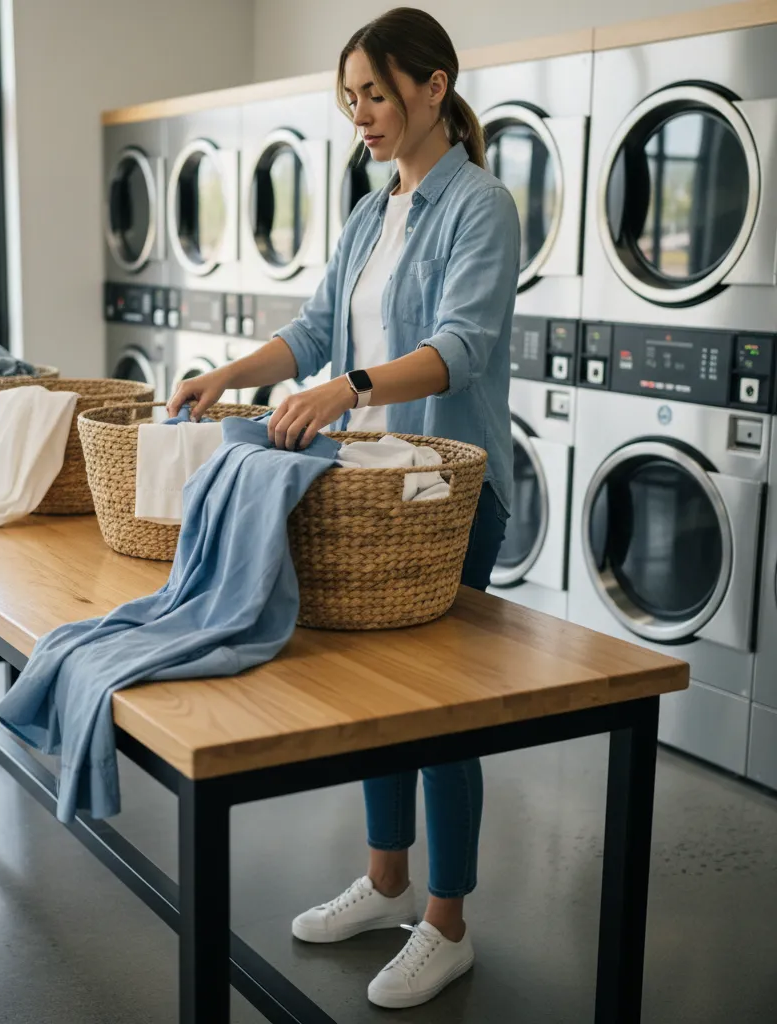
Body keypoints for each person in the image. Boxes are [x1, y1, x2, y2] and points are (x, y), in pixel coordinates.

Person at [166, 6, 519, 1010]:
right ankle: (386, 880)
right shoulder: (373, 210)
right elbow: (318, 326)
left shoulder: (477, 205)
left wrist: (349, 387)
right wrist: (229, 373)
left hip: (444, 495)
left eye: (374, 92)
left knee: (439, 716)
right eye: (350, 98)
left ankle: (445, 923)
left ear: (432, 87)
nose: (360, 114)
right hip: (370, 499)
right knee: (377, 703)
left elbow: (462, 345)